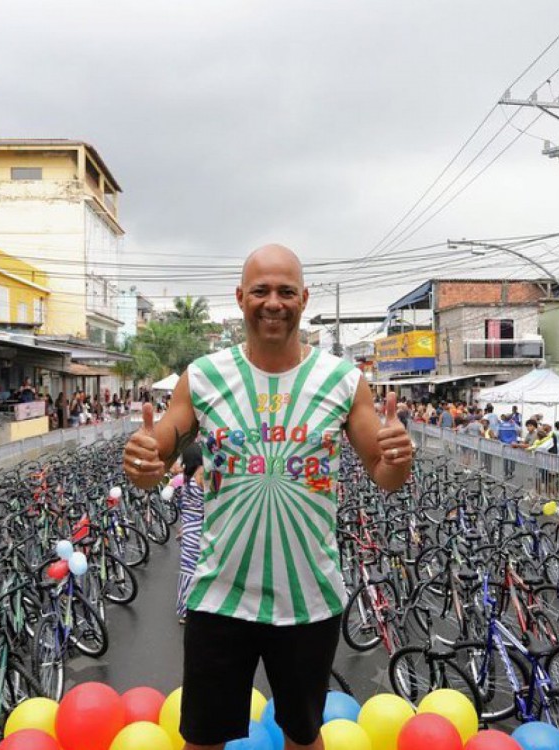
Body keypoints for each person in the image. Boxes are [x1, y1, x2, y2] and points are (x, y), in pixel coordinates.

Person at [122, 244, 412, 750]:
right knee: (202, 740)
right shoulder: (205, 376)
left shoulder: (343, 380)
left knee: (303, 737)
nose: (272, 302)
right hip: (220, 597)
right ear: (240, 298)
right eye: (260, 291)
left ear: (304, 298)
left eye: (284, 291)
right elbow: (155, 461)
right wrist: (144, 459)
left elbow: (384, 475)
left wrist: (399, 458)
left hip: (309, 600)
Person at [175, 442, 205, 623]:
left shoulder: (185, 478)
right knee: (199, 569)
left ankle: (186, 609)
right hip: (199, 528)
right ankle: (199, 607)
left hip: (188, 529)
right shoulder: (201, 474)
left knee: (187, 570)